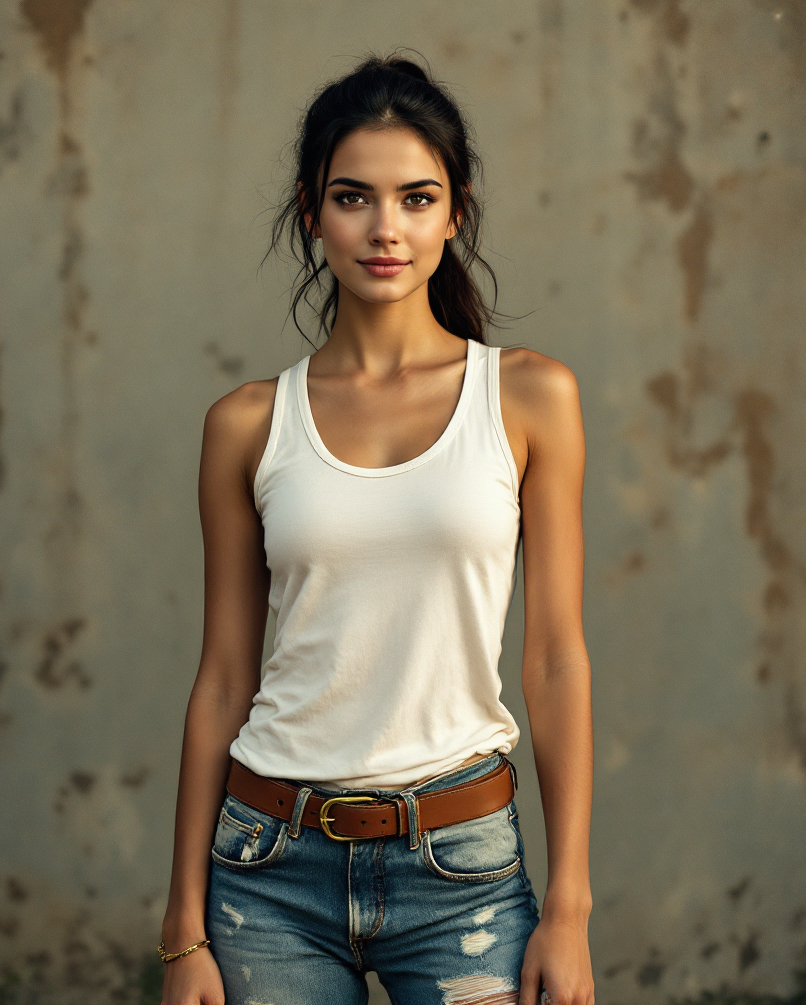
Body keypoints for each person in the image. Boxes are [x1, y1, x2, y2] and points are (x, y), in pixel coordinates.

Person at [159, 53, 595, 1005]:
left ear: (456, 211)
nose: (385, 229)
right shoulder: (246, 424)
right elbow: (225, 678)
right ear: (312, 212)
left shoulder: (527, 398)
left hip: (463, 870)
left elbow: (557, 659)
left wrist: (569, 909)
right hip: (266, 869)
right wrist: (182, 927)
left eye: (416, 197)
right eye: (354, 197)